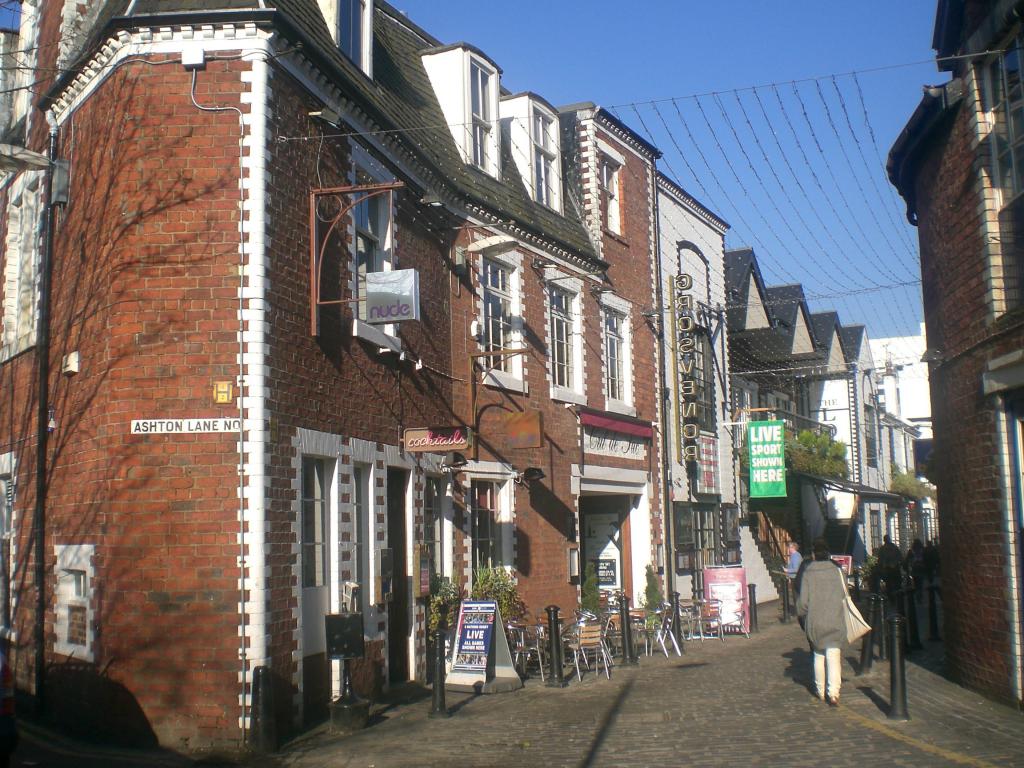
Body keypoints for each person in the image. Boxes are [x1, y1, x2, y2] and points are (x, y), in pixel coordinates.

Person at [796, 538, 848, 707]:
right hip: (835, 619)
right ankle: (833, 693)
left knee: (818, 656)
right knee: (833, 655)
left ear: (813, 554)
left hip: (815, 621)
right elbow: (845, 594)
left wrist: (801, 614)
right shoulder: (837, 571)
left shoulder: (808, 572)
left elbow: (803, 602)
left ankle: (820, 691)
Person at [876, 534, 903, 600]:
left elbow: (880, 560)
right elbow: (900, 556)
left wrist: (881, 566)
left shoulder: (883, 548)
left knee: (890, 585)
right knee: (895, 584)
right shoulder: (892, 547)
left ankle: (893, 598)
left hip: (889, 568)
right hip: (892, 568)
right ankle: (896, 597)